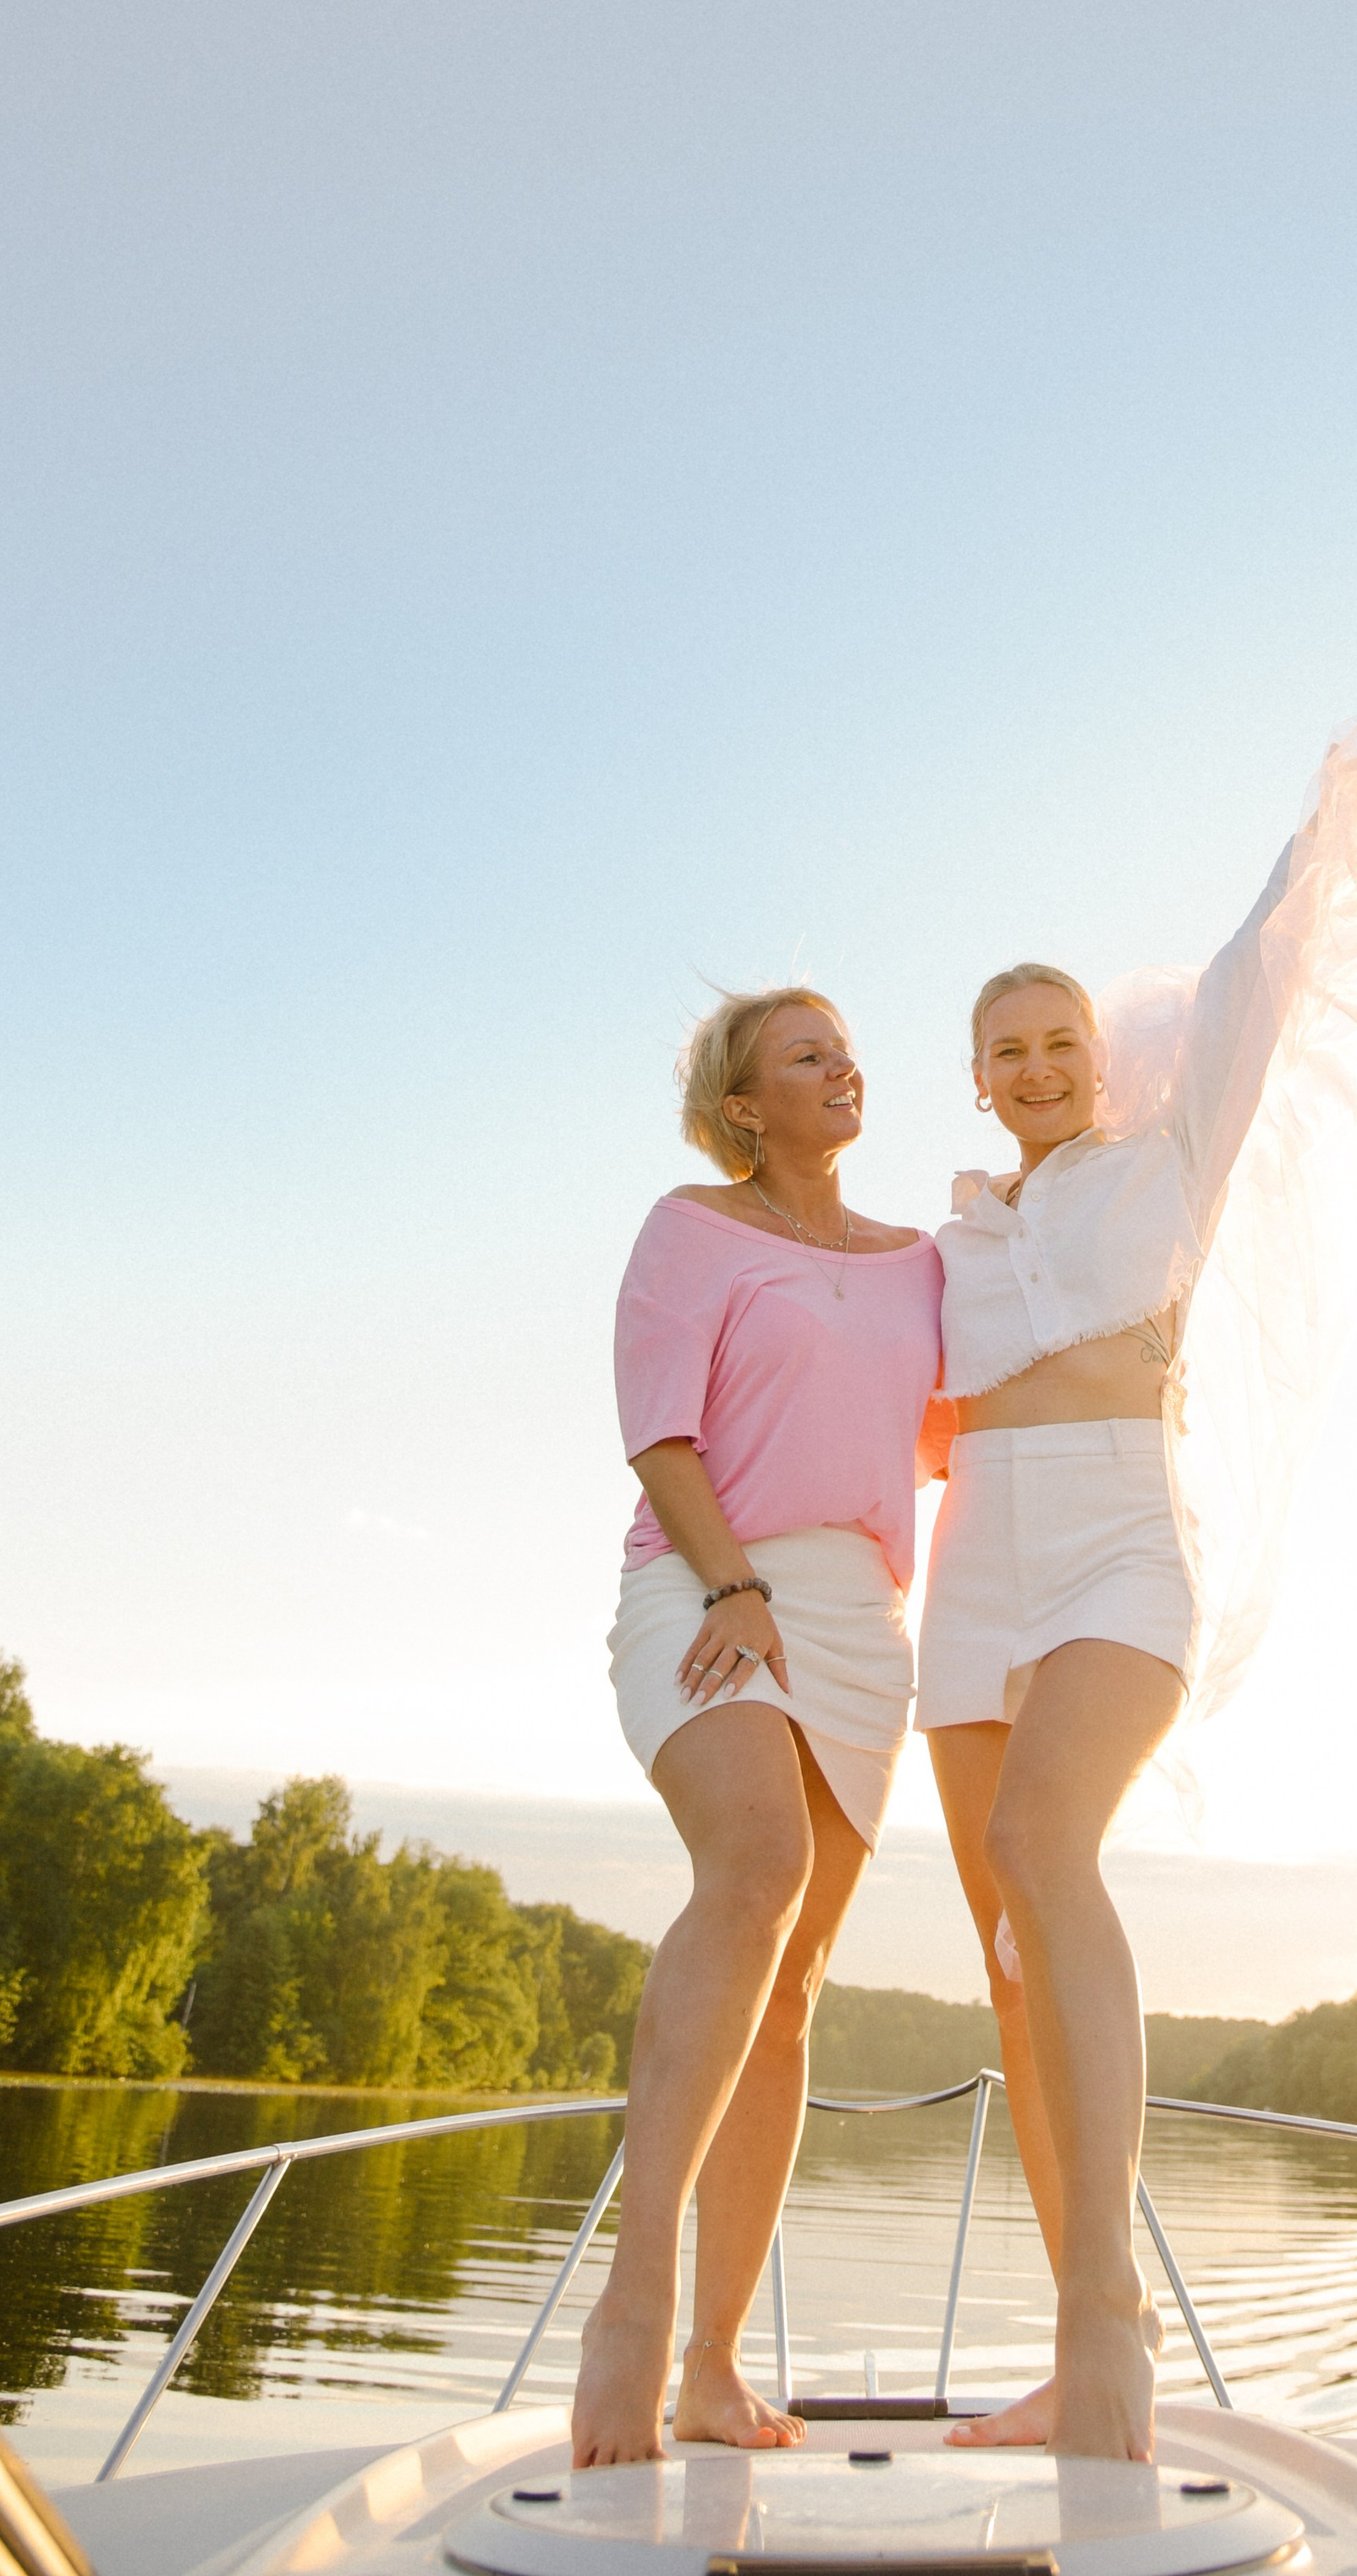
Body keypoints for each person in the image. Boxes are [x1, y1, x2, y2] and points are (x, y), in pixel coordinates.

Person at [919, 704, 1357, 2461]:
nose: (1033, 1065)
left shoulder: (1168, 1163)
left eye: (1057, 1037)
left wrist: (1316, 840)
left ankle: (1112, 2345)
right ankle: (1076, 2342)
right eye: (1003, 1048)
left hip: (1115, 1547)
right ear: (977, 1074)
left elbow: (1246, 986)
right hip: (970, 1579)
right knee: (1008, 1957)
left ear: (1101, 1053)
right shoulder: (950, 1235)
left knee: (1040, 1851)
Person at [570, 987, 944, 2467]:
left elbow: (970, 1417)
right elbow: (659, 1429)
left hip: (860, 1623)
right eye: (806, 1054)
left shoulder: (923, 1261)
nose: (843, 1063)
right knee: (757, 1869)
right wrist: (733, 1582)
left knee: (791, 1992)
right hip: (708, 1580)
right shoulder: (690, 1227)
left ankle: (714, 2371)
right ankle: (634, 2303)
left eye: (847, 1043)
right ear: (744, 1105)